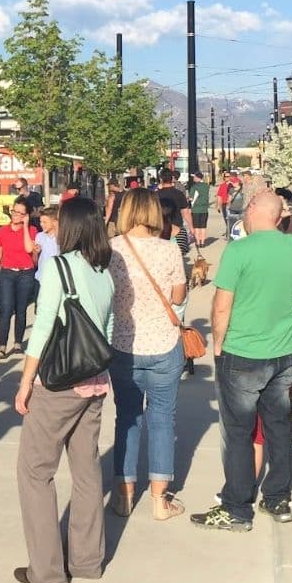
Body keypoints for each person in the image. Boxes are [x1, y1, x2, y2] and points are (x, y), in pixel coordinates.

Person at [13, 197, 114, 583]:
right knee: (87, 471)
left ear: (70, 227)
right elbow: (105, 330)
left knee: (35, 472)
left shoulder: (58, 268)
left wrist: (25, 382)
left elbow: (41, 330)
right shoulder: (104, 271)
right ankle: (88, 561)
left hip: (58, 385)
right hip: (94, 381)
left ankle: (48, 571)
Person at [191, 190, 292, 532]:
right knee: (278, 427)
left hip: (243, 352)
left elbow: (222, 304)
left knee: (239, 432)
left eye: (248, 206)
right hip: (282, 353)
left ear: (254, 210)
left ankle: (237, 507)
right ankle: (277, 497)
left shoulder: (239, 250)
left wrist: (219, 345)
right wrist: (283, 212)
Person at [106, 189, 187, 521]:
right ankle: (159, 500)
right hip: (164, 344)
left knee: (127, 418)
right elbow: (179, 294)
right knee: (162, 420)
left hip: (124, 343)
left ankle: (123, 496)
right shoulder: (169, 250)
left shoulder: (111, 250)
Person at [0, 196, 39, 358]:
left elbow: (30, 249)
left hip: (26, 273)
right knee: (6, 309)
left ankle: (17, 343)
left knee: (21, 310)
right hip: (7, 273)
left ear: (26, 215)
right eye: (14, 211)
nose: (15, 215)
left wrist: (26, 225)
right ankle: (2, 346)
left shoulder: (32, 231)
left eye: (20, 213)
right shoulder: (3, 230)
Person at [161, 201, 194, 380]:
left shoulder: (153, 233)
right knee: (178, 322)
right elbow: (184, 251)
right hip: (178, 279)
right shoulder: (179, 232)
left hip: (159, 282)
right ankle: (180, 360)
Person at [157, 168, 193, 241]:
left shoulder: (156, 195)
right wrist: (191, 227)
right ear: (172, 179)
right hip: (177, 229)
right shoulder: (179, 194)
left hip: (161, 230)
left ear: (161, 179)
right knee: (179, 251)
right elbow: (186, 212)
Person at [32, 207, 59, 297]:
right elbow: (35, 262)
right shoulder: (39, 236)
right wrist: (35, 252)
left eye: (45, 222)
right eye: (40, 222)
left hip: (56, 280)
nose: (42, 225)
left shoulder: (61, 238)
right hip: (40, 278)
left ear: (54, 222)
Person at [187, 170, 210, 246]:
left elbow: (191, 198)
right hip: (204, 209)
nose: (193, 178)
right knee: (203, 227)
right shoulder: (206, 186)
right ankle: (203, 242)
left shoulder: (194, 187)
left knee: (196, 227)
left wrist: (187, 199)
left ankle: (198, 241)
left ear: (198, 178)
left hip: (196, 209)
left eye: (194, 177)